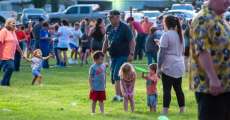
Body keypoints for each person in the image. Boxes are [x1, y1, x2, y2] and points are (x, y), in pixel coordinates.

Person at [190, 0, 230, 119]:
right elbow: (202, 50)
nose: (228, 1)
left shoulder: (220, 19)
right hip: (211, 89)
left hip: (225, 87)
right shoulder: (202, 19)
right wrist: (213, 78)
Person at [103, 10, 135, 101]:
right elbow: (106, 41)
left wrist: (131, 53)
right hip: (113, 55)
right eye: (109, 17)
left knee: (117, 75)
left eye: (111, 17)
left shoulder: (125, 27)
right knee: (113, 76)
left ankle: (119, 96)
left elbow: (132, 41)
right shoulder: (108, 27)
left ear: (118, 17)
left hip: (123, 55)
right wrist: (102, 53)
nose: (109, 19)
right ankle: (121, 94)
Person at [157, 15, 185, 115]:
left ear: (166, 23)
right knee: (178, 89)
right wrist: (160, 44)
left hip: (169, 66)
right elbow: (181, 50)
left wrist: (158, 68)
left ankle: (165, 111)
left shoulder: (166, 35)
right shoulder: (180, 34)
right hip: (179, 64)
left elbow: (162, 53)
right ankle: (182, 109)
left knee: (167, 90)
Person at [0, 18, 24, 86]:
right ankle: (4, 83)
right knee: (11, 67)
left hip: (11, 56)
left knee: (10, 68)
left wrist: (22, 53)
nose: (14, 24)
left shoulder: (13, 32)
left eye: (14, 23)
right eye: (12, 23)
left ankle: (6, 83)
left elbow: (17, 45)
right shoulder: (3, 31)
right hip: (3, 55)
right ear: (8, 23)